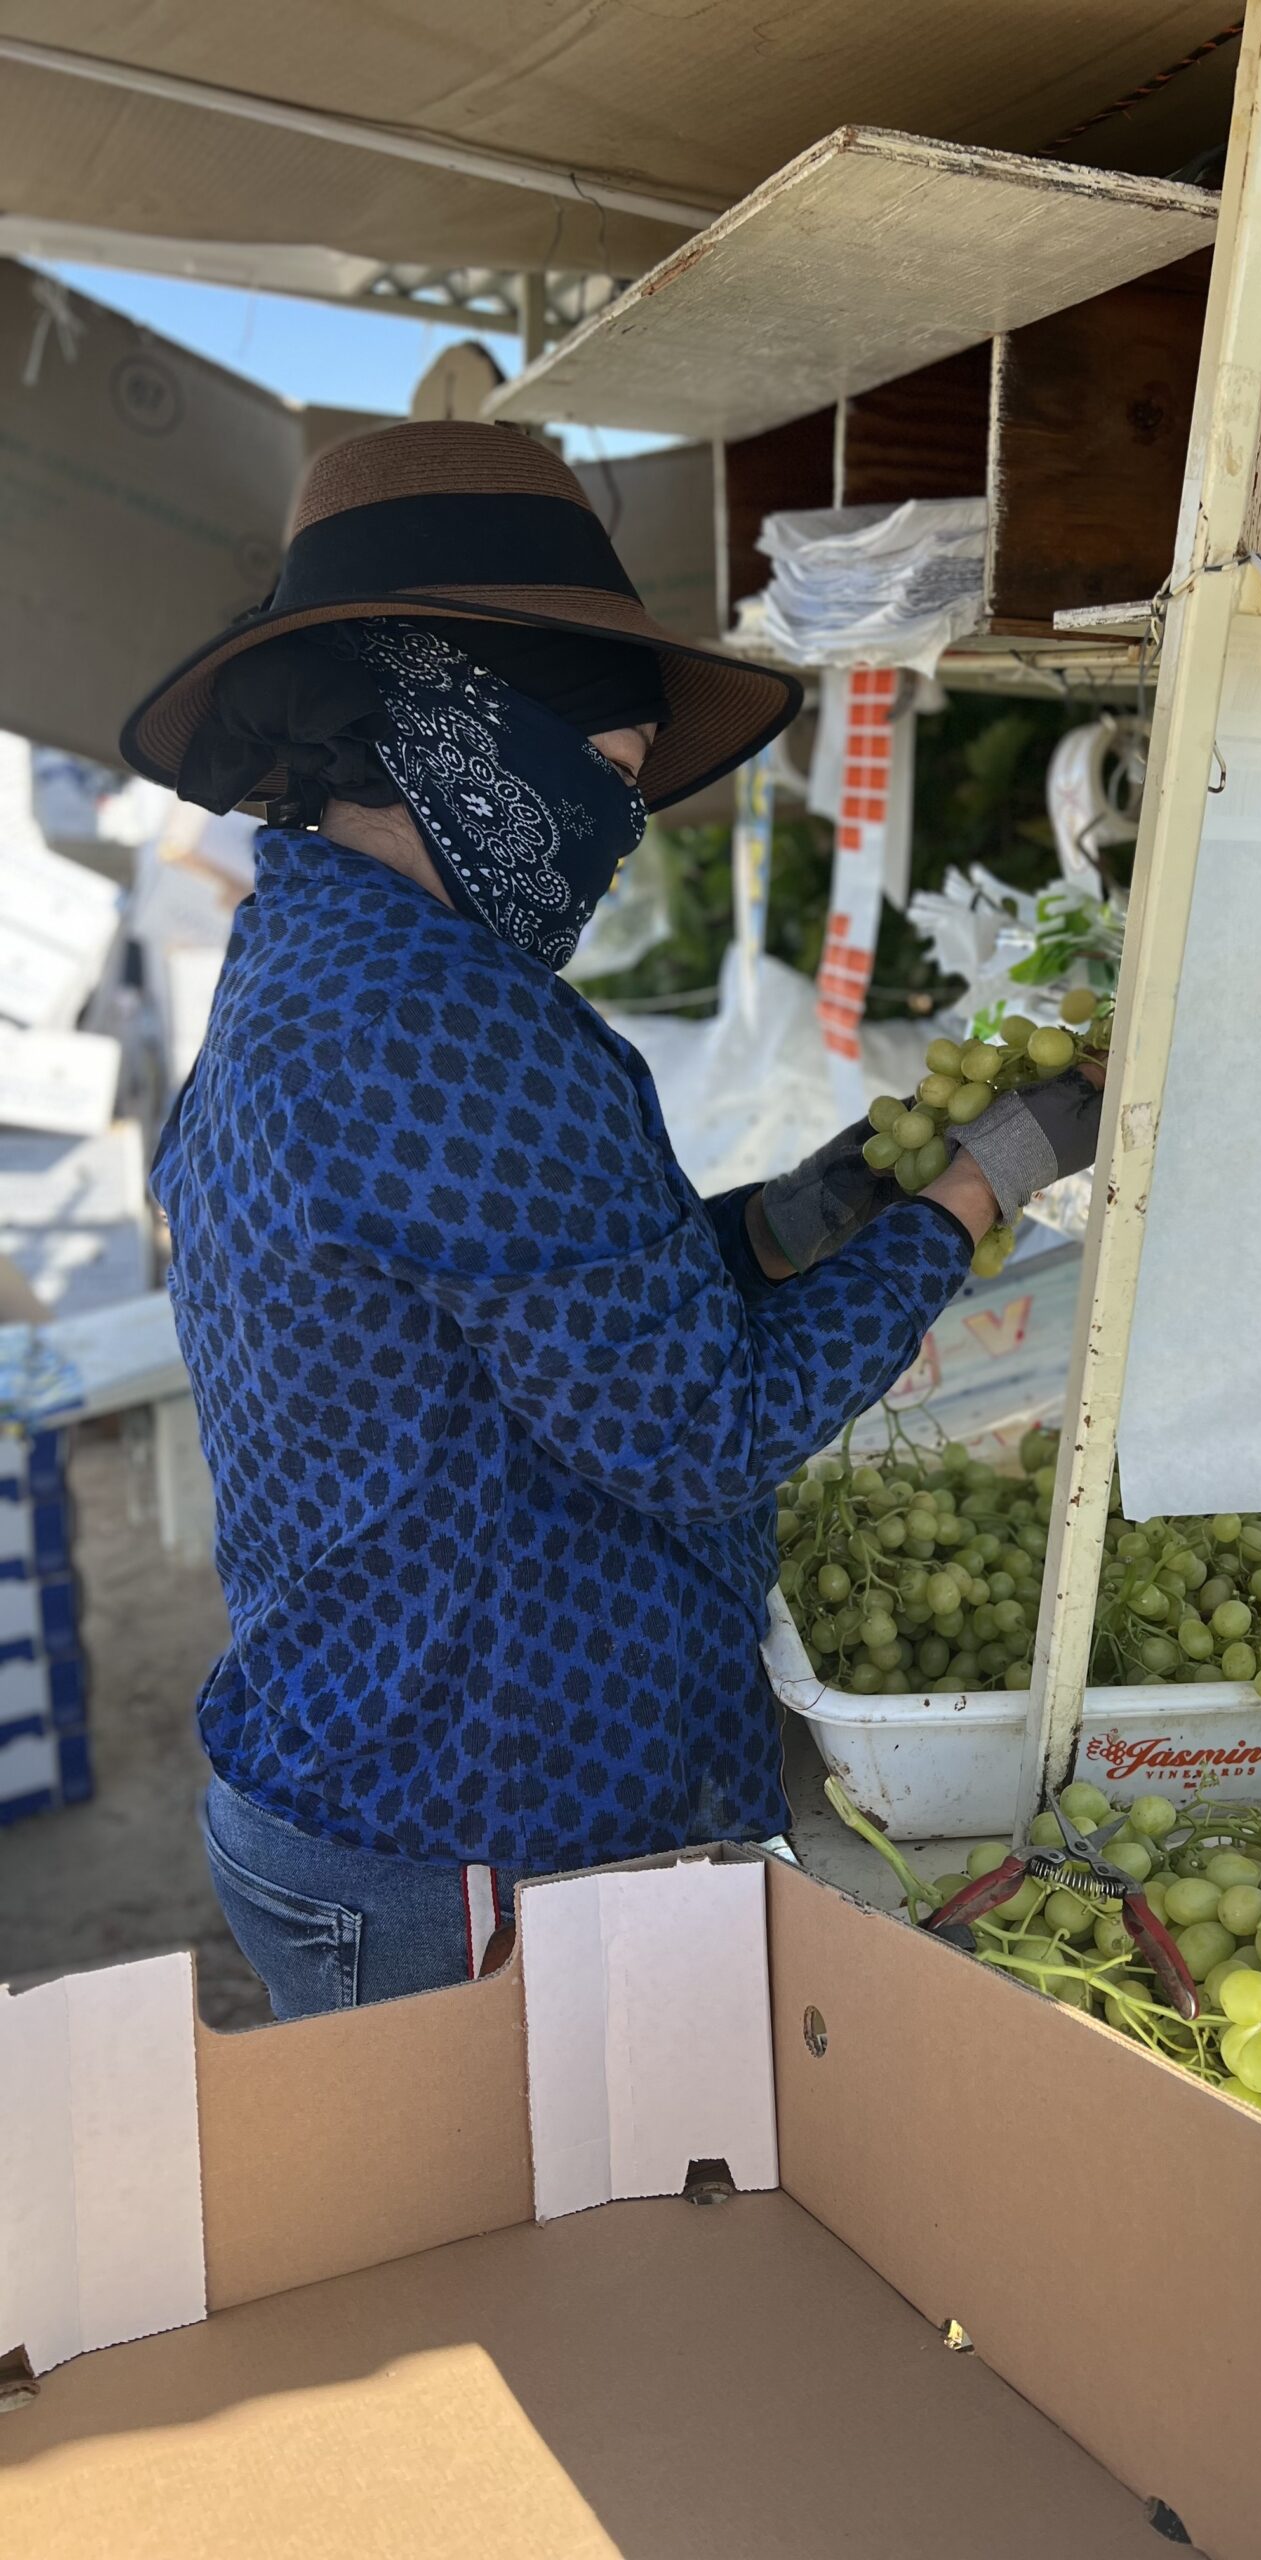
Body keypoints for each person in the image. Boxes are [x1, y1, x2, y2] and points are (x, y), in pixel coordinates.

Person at [122, 420, 1106, 2020]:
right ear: (465, 725)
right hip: (471, 1850)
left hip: (362, 1794)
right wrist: (974, 1194)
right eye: (612, 775)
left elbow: (526, 1286)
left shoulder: (314, 964)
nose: (621, 827)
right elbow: (705, 1427)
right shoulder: (445, 1027)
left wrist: (824, 1205)